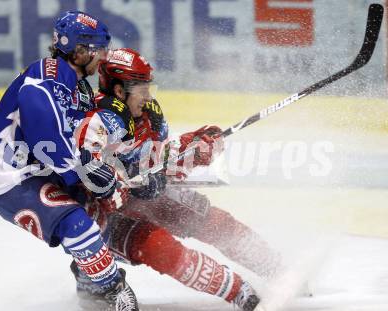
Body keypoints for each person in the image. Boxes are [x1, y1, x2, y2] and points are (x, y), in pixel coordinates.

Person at [74, 48, 281, 311]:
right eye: (141, 88)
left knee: (209, 219)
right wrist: (132, 183)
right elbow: (89, 182)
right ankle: (239, 291)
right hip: (102, 219)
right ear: (118, 90)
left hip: (139, 198)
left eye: (149, 87)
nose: (148, 96)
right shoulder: (94, 121)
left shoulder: (150, 113)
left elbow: (160, 160)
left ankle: (276, 268)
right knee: (160, 247)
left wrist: (196, 146)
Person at [0, 12, 139, 311]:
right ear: (79, 51)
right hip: (11, 175)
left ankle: (90, 293)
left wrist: (117, 166)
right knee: (77, 224)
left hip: (42, 169)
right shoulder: (46, 75)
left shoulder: (78, 88)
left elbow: (83, 140)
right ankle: (114, 292)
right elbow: (45, 137)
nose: (103, 57)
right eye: (98, 50)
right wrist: (85, 173)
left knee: (98, 214)